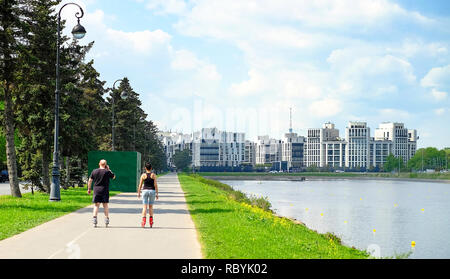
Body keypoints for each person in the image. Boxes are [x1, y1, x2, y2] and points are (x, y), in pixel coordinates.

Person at [87, 159, 115, 227]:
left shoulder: (94, 171)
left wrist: (89, 189)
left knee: (96, 205)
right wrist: (109, 169)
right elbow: (114, 177)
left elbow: (90, 180)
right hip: (104, 190)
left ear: (99, 163)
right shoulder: (107, 172)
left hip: (96, 190)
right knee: (105, 205)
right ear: (105, 165)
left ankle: (94, 220)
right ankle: (106, 220)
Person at [137, 162, 159, 228]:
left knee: (144, 207)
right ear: (151, 168)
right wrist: (157, 193)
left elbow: (140, 185)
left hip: (145, 191)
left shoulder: (143, 175)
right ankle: (151, 221)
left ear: (145, 168)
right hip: (152, 191)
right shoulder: (153, 175)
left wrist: (138, 192)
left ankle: (143, 221)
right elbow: (155, 185)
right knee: (151, 207)